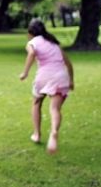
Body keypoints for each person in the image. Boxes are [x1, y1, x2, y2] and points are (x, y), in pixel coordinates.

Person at [19, 19, 74, 154]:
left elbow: (32, 53)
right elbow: (69, 63)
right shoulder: (54, 43)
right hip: (61, 77)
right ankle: (54, 131)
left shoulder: (32, 42)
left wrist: (25, 72)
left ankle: (37, 134)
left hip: (44, 76)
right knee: (55, 109)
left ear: (30, 32)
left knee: (36, 103)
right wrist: (71, 80)